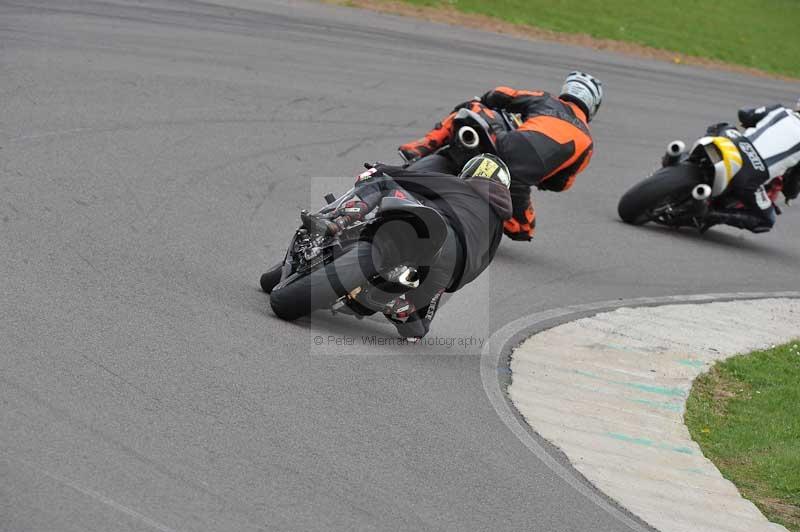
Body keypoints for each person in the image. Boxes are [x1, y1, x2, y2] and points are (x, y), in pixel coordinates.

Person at [276, 154, 512, 339]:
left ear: (471, 172)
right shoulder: (496, 230)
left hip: (432, 233)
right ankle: (397, 305)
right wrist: (445, 283)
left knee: (381, 183)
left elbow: (411, 177)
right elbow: (480, 266)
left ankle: (335, 222)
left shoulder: (459, 185)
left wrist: (379, 168)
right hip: (451, 271)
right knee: (418, 330)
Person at [397, 71, 603, 241]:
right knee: (523, 230)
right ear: (593, 105)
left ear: (566, 90)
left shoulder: (547, 101)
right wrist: (538, 176)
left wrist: (486, 100)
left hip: (502, 147)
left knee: (473, 109)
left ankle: (421, 147)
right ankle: (483, 210)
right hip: (518, 182)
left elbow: (504, 94)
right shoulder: (587, 143)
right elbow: (562, 183)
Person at [703, 100, 800, 232]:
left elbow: (745, 114)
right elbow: (792, 183)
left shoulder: (779, 110)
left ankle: (678, 159)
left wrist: (753, 122)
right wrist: (791, 194)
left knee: (722, 127)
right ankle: (709, 215)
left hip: (734, 148)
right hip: (749, 176)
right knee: (767, 220)